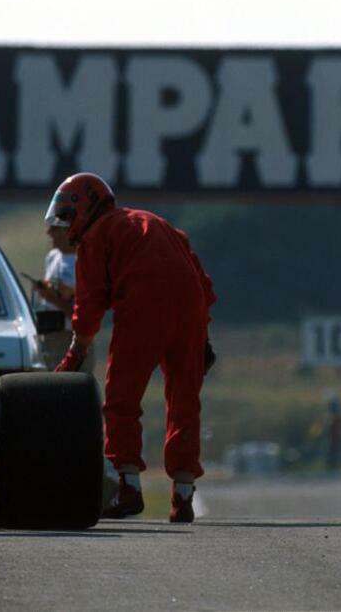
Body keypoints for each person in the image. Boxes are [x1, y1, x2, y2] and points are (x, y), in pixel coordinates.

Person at [48, 172, 215, 524]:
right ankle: (183, 492)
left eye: (66, 215)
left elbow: (90, 300)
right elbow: (199, 276)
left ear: (85, 208)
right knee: (185, 400)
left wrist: (76, 350)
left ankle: (128, 488)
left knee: (122, 399)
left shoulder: (96, 235)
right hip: (191, 308)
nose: (64, 225)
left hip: (144, 306)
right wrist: (204, 336)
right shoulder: (154, 221)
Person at [33, 215, 94, 372]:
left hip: (72, 338)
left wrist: (55, 299)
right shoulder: (52, 257)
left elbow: (86, 315)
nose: (49, 233)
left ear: (68, 231)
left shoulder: (85, 261)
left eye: (54, 228)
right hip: (51, 334)